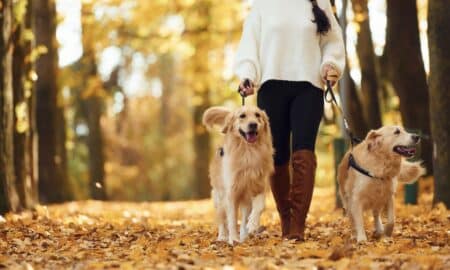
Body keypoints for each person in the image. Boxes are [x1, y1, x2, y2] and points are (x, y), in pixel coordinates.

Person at [234, 0, 345, 241]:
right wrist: (247, 75)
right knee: (278, 155)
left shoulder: (319, 2)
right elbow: (249, 45)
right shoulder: (263, 4)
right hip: (272, 86)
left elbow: (332, 41)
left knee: (304, 150)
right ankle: (285, 217)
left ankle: (297, 223)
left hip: (309, 86)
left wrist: (331, 64)